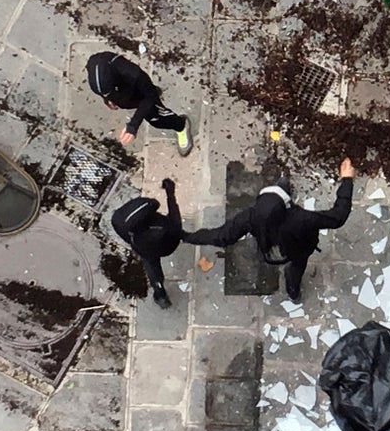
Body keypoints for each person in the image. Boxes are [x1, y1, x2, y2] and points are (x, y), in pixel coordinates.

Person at [183, 160, 355, 303]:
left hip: (270, 247)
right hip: (299, 249)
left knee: (289, 259)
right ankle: (293, 291)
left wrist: (186, 236)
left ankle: (292, 287)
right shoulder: (300, 218)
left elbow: (221, 236)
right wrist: (347, 181)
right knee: (296, 268)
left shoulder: (251, 216)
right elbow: (338, 217)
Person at [86, 51, 193, 156]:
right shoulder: (94, 64)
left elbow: (149, 96)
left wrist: (133, 125)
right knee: (136, 98)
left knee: (156, 118)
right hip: (124, 92)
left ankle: (181, 124)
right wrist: (107, 99)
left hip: (136, 86)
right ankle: (148, 90)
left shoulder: (133, 73)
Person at [110, 179, 183, 309]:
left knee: (153, 269)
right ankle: (159, 292)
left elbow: (129, 239)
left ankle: (160, 295)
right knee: (172, 234)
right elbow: (174, 214)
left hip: (146, 249)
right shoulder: (167, 226)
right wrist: (170, 193)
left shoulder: (129, 233)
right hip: (169, 243)